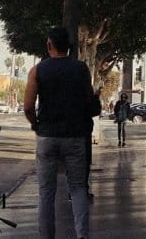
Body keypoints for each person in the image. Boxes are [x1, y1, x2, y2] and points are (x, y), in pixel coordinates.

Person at [24, 26, 99, 239]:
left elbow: (28, 106)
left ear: (49, 45)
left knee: (46, 193)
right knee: (77, 189)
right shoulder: (81, 69)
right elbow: (88, 100)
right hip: (74, 136)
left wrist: (36, 124)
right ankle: (82, 235)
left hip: (47, 135)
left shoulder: (37, 70)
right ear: (69, 47)